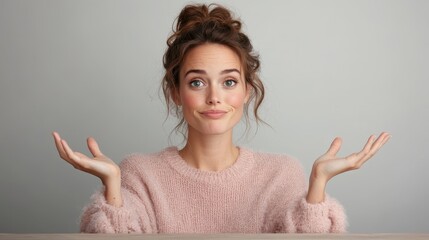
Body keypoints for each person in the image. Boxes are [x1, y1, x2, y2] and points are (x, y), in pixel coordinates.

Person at [52, 3, 390, 233]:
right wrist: (113, 186)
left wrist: (316, 187)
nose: (214, 97)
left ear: (247, 90)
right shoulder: (140, 173)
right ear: (175, 92)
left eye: (229, 81)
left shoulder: (281, 173)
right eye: (196, 82)